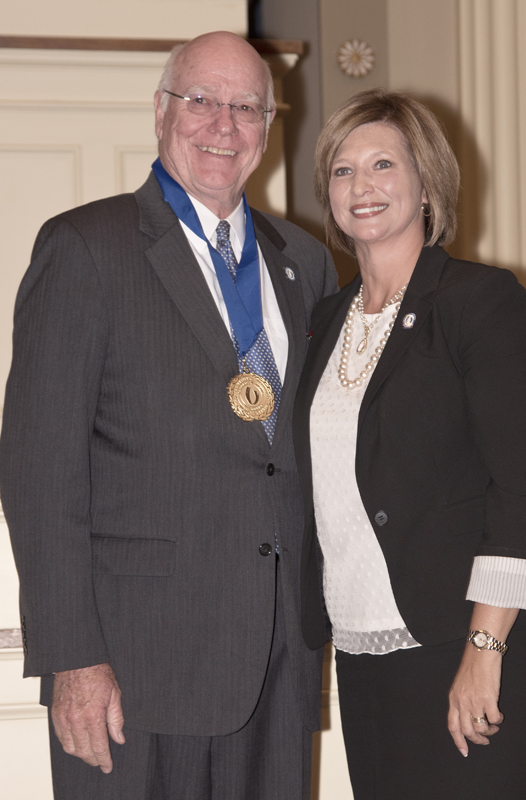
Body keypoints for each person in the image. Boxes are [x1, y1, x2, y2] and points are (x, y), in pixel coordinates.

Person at [0, 31, 337, 800]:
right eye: (202, 100)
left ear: (268, 125)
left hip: (279, 658)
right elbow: (39, 472)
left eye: (246, 106)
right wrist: (73, 658)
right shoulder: (85, 247)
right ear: (160, 112)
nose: (224, 123)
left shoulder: (305, 262)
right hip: (135, 668)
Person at [293, 89, 526, 799]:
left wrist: (485, 651)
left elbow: (521, 489)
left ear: (426, 184)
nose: (361, 186)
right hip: (366, 646)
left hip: (479, 640)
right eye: (341, 169)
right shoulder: (325, 318)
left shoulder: (479, 301)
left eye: (383, 164)